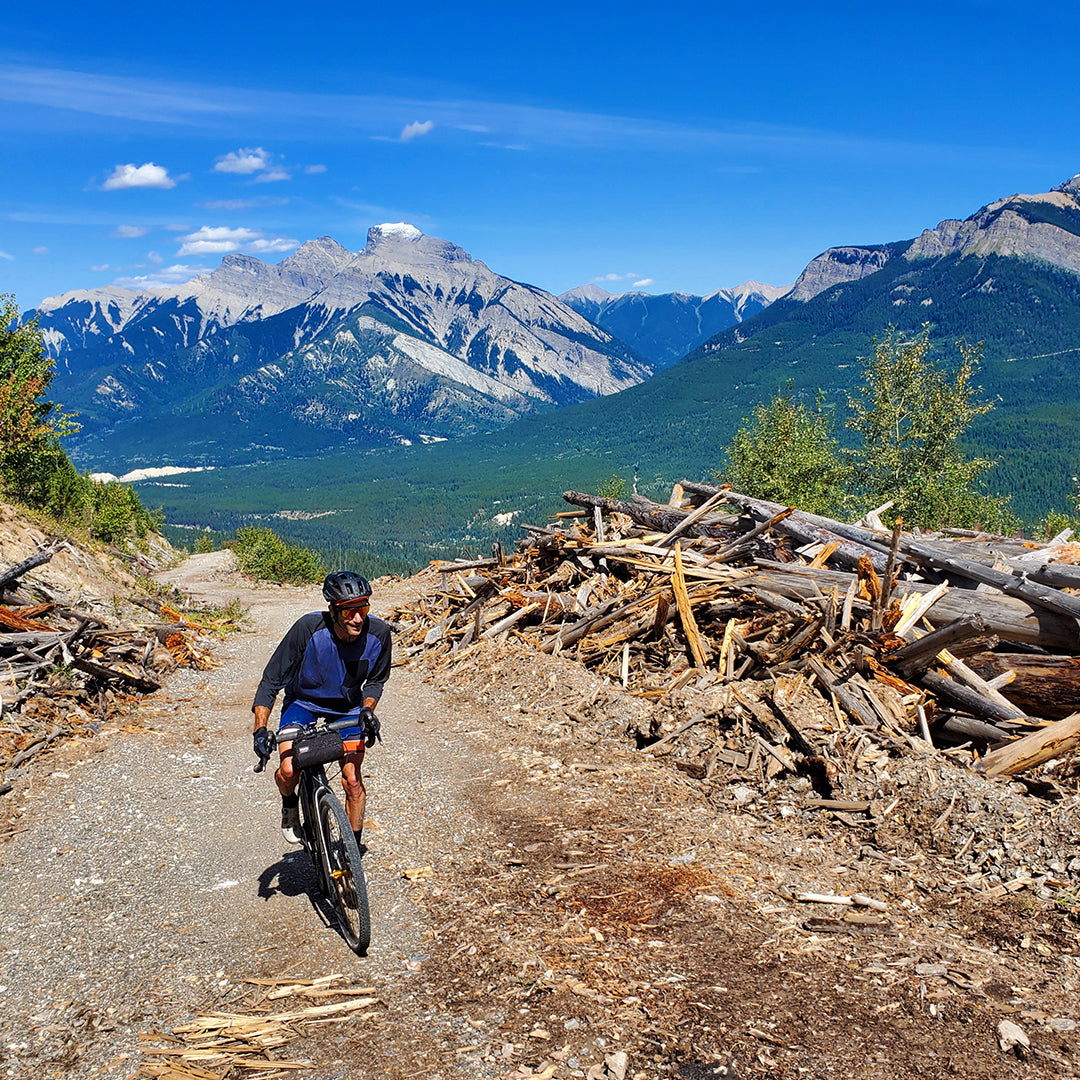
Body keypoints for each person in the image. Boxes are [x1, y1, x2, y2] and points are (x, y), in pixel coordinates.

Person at [251, 571, 391, 850]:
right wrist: (260, 729)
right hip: (302, 703)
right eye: (349, 611)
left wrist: (367, 710)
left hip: (348, 707)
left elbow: (376, 681)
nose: (358, 618)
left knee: (352, 781)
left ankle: (352, 852)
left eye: (363, 608)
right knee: (289, 770)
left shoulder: (379, 634)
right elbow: (270, 683)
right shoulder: (307, 629)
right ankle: (290, 804)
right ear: (333, 610)